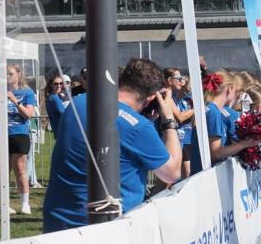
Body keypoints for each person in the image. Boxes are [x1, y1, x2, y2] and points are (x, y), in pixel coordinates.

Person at [43, 58, 184, 232]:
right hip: (105, 228)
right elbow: (172, 173)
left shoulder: (79, 103)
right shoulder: (138, 127)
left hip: (58, 221)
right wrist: (168, 118)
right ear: (149, 99)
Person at [190, 70, 258, 175]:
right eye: (236, 91)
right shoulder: (214, 112)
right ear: (229, 88)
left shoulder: (211, 109)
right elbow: (216, 153)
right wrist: (244, 144)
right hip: (205, 176)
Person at [0, 65, 37, 215]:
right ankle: (3, 204)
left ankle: (25, 203)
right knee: (3, 170)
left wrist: (14, 100)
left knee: (20, 168)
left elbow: (28, 115)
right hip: (1, 133)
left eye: (10, 74)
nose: (8, 77)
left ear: (18, 74)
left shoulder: (27, 92)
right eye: (5, 74)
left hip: (19, 133)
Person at [165, 67, 195, 179]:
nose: (181, 81)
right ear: (169, 80)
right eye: (178, 78)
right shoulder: (167, 95)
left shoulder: (175, 96)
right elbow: (179, 117)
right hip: (171, 139)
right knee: (167, 180)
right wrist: (195, 108)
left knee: (187, 173)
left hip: (183, 138)